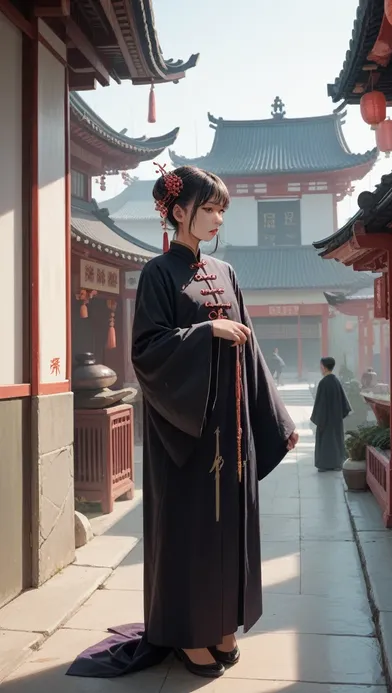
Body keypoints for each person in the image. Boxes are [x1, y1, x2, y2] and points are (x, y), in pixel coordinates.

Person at [67, 165, 298, 680]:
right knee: (191, 533)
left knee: (230, 531)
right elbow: (146, 350)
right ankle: (187, 633)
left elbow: (252, 347)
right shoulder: (157, 274)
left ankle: (223, 623)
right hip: (186, 434)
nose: (217, 218)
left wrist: (275, 418)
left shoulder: (227, 272)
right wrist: (205, 330)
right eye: (208, 208)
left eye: (221, 209)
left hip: (232, 429)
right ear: (177, 211)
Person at [310, 356, 351, 472]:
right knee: (336, 441)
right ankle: (337, 463)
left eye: (321, 366)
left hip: (325, 420)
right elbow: (344, 404)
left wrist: (318, 419)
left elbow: (320, 404)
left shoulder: (323, 383)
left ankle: (324, 464)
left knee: (325, 442)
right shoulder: (336, 381)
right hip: (336, 419)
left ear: (324, 367)